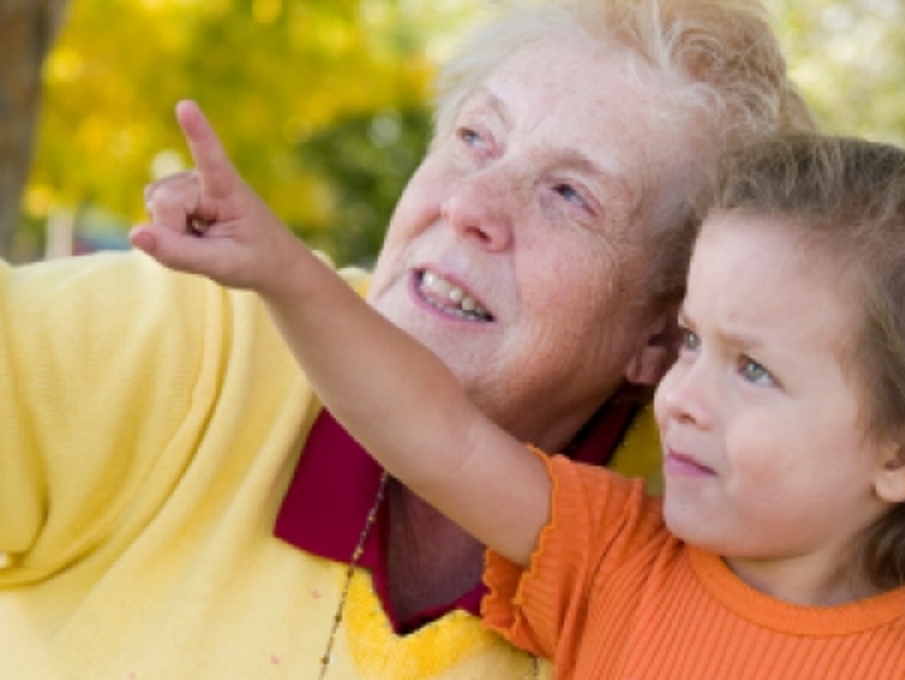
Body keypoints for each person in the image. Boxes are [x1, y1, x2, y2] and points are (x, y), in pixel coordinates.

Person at [134, 104, 905, 677]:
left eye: (753, 368)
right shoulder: (616, 552)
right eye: (693, 341)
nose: (684, 396)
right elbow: (432, 431)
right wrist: (282, 269)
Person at [0, 1, 814, 678]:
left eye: (570, 195)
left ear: (660, 336)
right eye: (473, 139)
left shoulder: (707, 553)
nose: (470, 205)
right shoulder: (190, 335)